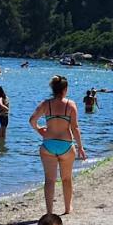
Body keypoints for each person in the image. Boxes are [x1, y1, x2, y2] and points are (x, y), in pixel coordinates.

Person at [30, 76, 86, 215]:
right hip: (66, 145)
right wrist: (80, 147)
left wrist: (39, 130)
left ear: (53, 89)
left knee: (49, 180)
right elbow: (75, 128)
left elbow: (32, 120)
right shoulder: (70, 105)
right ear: (65, 89)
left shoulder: (46, 104)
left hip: (48, 145)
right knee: (66, 179)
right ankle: (67, 209)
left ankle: (49, 211)